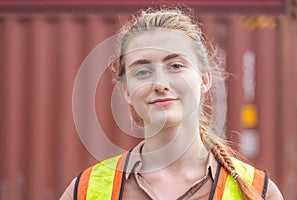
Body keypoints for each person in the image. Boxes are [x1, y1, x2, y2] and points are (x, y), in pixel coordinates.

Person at [61, 7, 284, 200]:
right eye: (142, 71)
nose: (159, 83)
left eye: (175, 66)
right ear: (126, 91)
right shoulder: (85, 191)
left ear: (204, 80)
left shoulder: (257, 192)